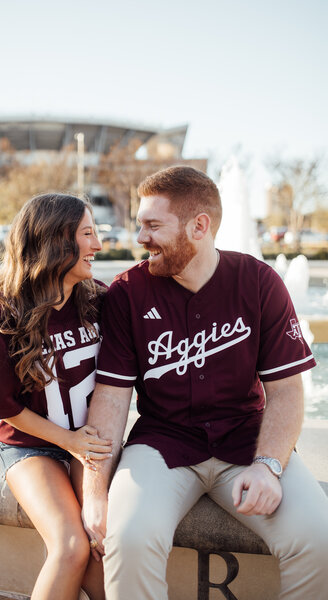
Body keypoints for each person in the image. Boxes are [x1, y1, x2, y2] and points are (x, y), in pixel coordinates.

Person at [81, 166, 328, 600]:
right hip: (163, 444)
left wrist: (270, 465)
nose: (140, 238)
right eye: (141, 225)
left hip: (246, 440)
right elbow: (113, 398)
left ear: (200, 226)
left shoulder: (259, 282)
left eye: (153, 226)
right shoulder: (127, 293)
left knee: (319, 539)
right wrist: (95, 493)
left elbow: (287, 390)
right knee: (130, 536)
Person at [0, 193, 112, 600]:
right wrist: (67, 441)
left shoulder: (98, 299)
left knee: (104, 551)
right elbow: (1, 406)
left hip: (90, 443)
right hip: (33, 447)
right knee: (71, 547)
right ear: (55, 241)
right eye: (88, 234)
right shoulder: (2, 314)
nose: (98, 246)